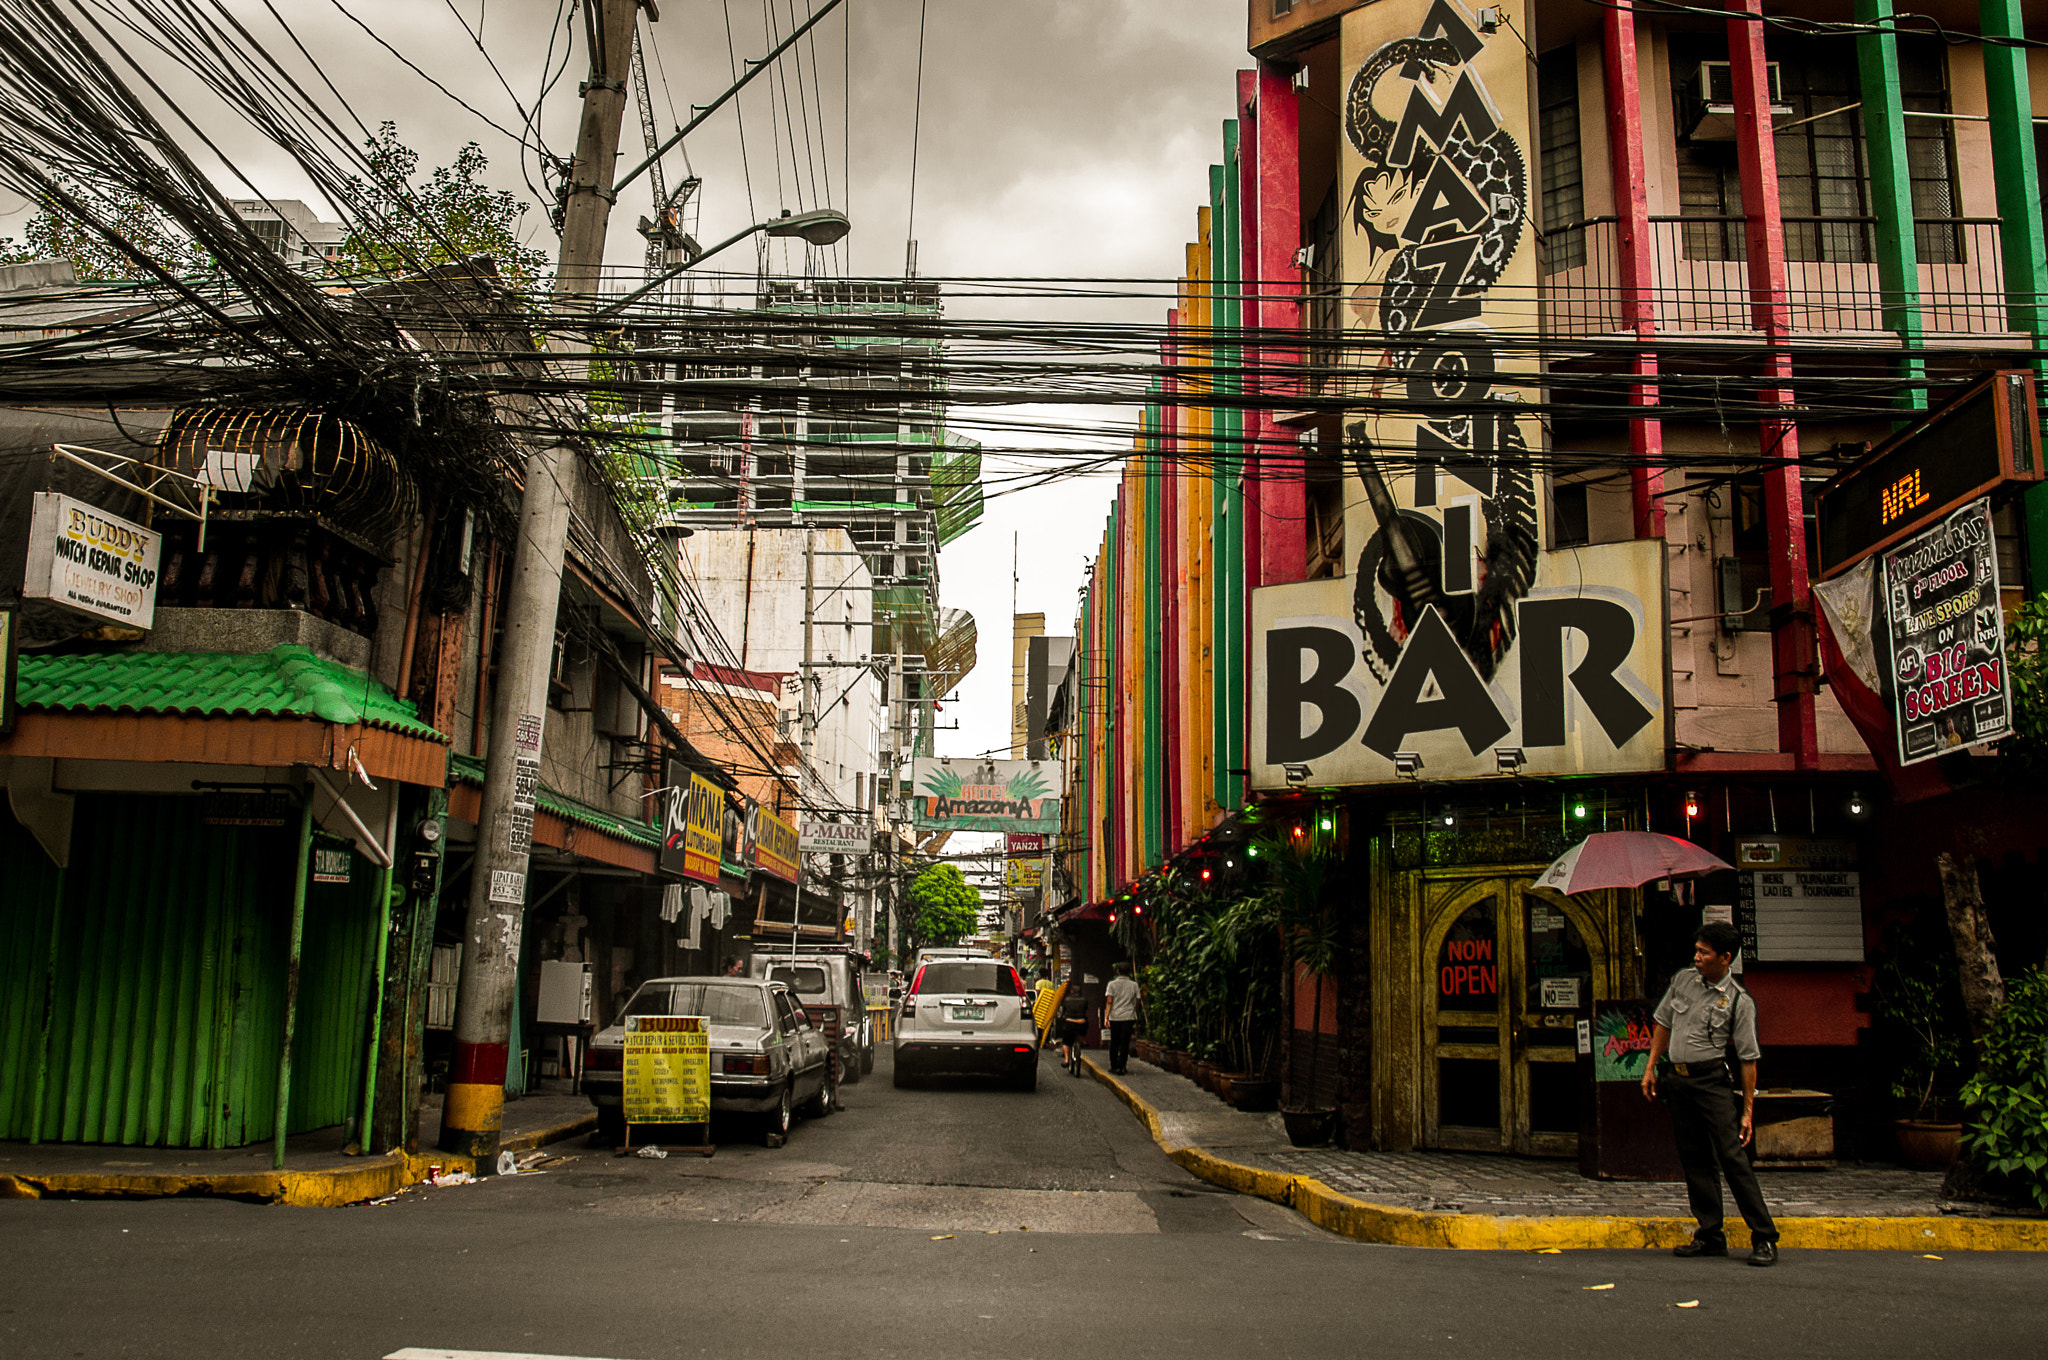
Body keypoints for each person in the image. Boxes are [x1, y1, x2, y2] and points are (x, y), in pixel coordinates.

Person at [1641, 920, 1780, 1267]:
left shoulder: (1739, 1001)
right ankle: (1710, 1234)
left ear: (1725, 957)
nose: (1697, 957)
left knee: (1732, 1158)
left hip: (1712, 1081)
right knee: (1694, 1157)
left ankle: (1764, 1236)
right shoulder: (1683, 980)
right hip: (1679, 1079)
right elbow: (1663, 1023)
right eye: (1697, 950)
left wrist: (1748, 1109)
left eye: (1704, 952)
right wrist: (1651, 1066)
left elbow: (1748, 1059)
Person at [1104, 962, 1142, 1075]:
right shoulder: (1134, 985)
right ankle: (1122, 1067)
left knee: (1114, 1042)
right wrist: (1134, 1011)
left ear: (1117, 971)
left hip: (1115, 1017)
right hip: (1128, 1016)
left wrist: (1106, 1017)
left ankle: (1114, 1065)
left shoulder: (1111, 984)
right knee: (1125, 1042)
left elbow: (1109, 1001)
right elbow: (1138, 1000)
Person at [1056, 975, 1089, 1075]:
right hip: (1081, 1024)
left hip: (1069, 1023)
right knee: (1084, 1024)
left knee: (1066, 1042)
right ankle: (1083, 1040)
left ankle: (1066, 1059)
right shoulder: (1084, 1000)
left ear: (1071, 992)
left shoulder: (1067, 1000)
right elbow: (1085, 1011)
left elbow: (1063, 1013)